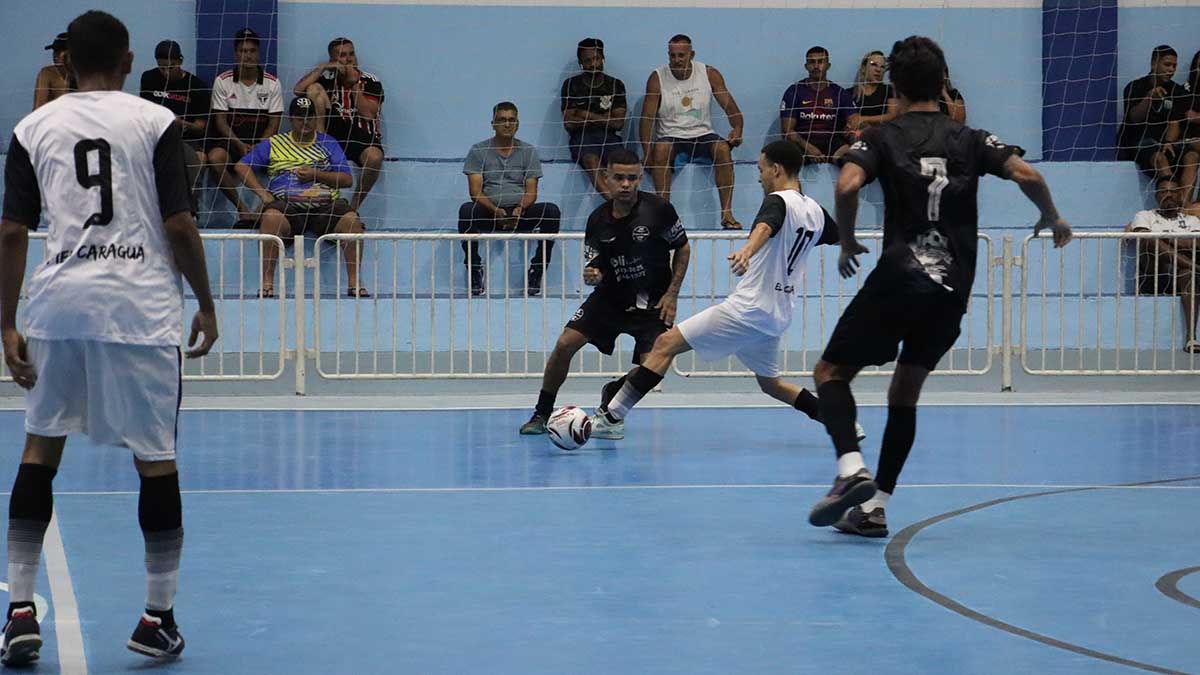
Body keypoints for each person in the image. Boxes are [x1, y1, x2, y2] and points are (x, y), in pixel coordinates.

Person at [0, 10, 218, 665]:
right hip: (139, 308)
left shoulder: (31, 127)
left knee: (41, 451)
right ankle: (156, 617)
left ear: (66, 64)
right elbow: (180, 225)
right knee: (155, 459)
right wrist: (206, 302)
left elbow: (11, 232)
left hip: (59, 306)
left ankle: (16, 612)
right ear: (128, 61)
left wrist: (5, 320)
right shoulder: (155, 121)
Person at [806, 36, 1071, 538]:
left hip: (902, 273)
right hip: (953, 286)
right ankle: (876, 506)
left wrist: (846, 242)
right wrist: (1052, 218)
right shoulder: (970, 137)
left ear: (894, 87)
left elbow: (844, 186)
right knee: (905, 391)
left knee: (829, 371)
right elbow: (1027, 173)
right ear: (944, 84)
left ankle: (849, 472)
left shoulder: (881, 135)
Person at [591, 140, 866, 443]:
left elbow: (765, 226)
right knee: (771, 384)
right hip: (778, 314)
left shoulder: (778, 200)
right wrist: (850, 248)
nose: (759, 177)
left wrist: (747, 250)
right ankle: (842, 422)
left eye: (761, 170)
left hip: (749, 308)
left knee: (665, 343)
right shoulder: (814, 210)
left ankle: (611, 416)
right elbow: (839, 235)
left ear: (776, 169)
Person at [519, 149, 689, 437]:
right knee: (564, 344)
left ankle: (615, 391)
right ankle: (542, 412)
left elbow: (682, 249)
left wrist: (672, 295)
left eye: (632, 178)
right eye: (619, 178)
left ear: (640, 178)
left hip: (652, 304)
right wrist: (592, 275)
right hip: (609, 299)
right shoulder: (597, 220)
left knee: (655, 369)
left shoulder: (659, 210)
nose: (626, 184)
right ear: (606, 178)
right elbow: (594, 268)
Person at [234, 96, 368, 298]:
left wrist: (316, 175)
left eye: (309, 117)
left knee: (352, 221)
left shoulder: (328, 143)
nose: (305, 122)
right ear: (291, 119)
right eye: (299, 118)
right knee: (270, 217)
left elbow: (347, 179)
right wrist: (263, 194)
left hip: (325, 206)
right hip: (287, 207)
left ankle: (354, 282)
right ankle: (267, 282)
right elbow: (241, 166)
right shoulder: (275, 143)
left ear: (315, 118)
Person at [640, 35, 744, 230]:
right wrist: (646, 153)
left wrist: (737, 128)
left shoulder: (709, 73)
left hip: (703, 135)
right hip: (670, 136)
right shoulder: (657, 78)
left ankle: (727, 214)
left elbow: (732, 109)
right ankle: (663, 216)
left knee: (723, 149)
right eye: (672, 55)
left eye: (681, 55)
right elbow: (646, 119)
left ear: (692, 54)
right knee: (660, 150)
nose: (677, 60)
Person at [459, 102, 561, 297]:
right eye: (502, 120)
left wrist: (519, 209)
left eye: (511, 120)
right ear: (493, 124)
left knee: (551, 212)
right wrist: (495, 210)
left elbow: (532, 191)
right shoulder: (478, 150)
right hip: (490, 212)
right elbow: (475, 192)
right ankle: (474, 268)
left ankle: (537, 271)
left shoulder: (528, 151)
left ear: (517, 124)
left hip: (519, 213)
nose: (507, 124)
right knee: (466, 211)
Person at [292, 37, 385, 211]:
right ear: (333, 60)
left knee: (375, 157)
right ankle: (321, 145)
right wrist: (321, 69)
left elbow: (368, 114)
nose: (349, 59)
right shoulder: (327, 79)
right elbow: (297, 91)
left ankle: (354, 206)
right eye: (342, 55)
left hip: (361, 135)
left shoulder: (370, 81)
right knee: (313, 90)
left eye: (351, 54)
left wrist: (353, 85)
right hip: (335, 132)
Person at [208, 27, 284, 221]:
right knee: (215, 158)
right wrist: (239, 145)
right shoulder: (222, 81)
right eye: (243, 51)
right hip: (232, 141)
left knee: (287, 163)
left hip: (262, 143)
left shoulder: (272, 83)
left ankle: (262, 208)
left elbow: (274, 124)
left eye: (252, 51)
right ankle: (241, 208)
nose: (247, 56)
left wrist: (259, 146)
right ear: (236, 54)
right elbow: (221, 123)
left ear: (258, 54)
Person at [1127, 180, 1199, 353]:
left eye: (1173, 191)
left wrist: (1163, 237)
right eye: (1163, 192)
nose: (1168, 195)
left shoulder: (1192, 220)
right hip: (1154, 277)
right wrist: (1180, 241)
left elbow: (1196, 244)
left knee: (1187, 272)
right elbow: (1145, 237)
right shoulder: (1144, 216)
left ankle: (1191, 338)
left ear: (1180, 195)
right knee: (1149, 242)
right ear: (1156, 196)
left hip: (1181, 279)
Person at [139, 40, 210, 201]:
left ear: (180, 61)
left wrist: (181, 124)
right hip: (156, 137)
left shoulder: (197, 86)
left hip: (186, 139)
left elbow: (201, 127)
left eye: (170, 68)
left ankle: (191, 207)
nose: (165, 72)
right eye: (161, 67)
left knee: (200, 159)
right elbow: (143, 112)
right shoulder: (149, 78)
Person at [561, 38, 628, 198]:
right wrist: (605, 118)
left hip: (610, 138)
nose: (593, 64)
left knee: (622, 164)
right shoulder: (571, 85)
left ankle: (626, 200)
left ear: (603, 58)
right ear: (581, 63)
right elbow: (569, 123)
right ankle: (613, 201)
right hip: (582, 137)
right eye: (588, 60)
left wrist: (584, 114)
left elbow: (618, 123)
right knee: (591, 160)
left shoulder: (615, 85)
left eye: (596, 58)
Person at [1117, 45, 1188, 186]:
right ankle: (1169, 200)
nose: (1171, 70)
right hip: (1137, 142)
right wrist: (1150, 98)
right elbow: (1134, 118)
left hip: (1164, 142)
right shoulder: (1134, 87)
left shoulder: (1177, 91)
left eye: (1174, 66)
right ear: (1154, 63)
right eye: (1167, 64)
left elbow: (1174, 123)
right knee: (1159, 157)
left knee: (1191, 156)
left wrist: (1169, 142)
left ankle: (1186, 203)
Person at [780, 46, 857, 164]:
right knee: (788, 158)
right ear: (806, 66)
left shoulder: (839, 92)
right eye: (811, 62)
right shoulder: (794, 91)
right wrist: (808, 147)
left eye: (820, 61)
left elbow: (855, 121)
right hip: (802, 142)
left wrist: (852, 130)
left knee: (854, 160)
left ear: (828, 65)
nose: (816, 66)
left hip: (831, 142)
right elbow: (787, 131)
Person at [848, 50, 897, 137]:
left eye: (882, 67)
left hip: (882, 135)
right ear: (863, 68)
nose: (878, 69)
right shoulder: (849, 93)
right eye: (873, 64)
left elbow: (892, 116)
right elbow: (849, 120)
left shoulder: (889, 90)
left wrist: (863, 119)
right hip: (856, 136)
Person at [32, 32, 75, 110]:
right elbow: (37, 110)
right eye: (55, 51)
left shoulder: (86, 76)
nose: (55, 55)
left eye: (60, 51)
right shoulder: (47, 73)